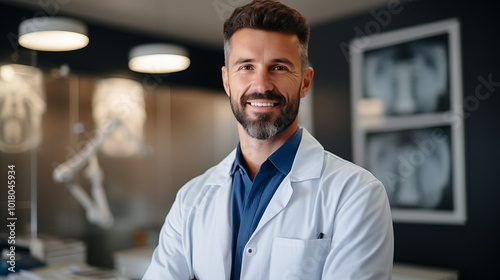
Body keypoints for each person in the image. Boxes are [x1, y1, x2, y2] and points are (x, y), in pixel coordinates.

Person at [143, 0, 393, 279]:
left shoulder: (356, 194)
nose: (261, 85)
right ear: (227, 81)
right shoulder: (191, 198)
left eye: (279, 67)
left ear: (306, 82)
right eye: (246, 67)